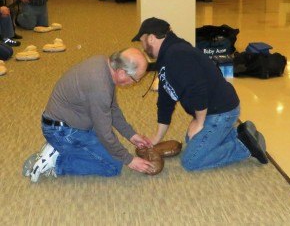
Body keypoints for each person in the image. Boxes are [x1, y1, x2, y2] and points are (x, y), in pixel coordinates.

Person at [132, 17, 268, 172]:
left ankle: (243, 146)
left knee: (191, 161)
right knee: (191, 140)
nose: (143, 46)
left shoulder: (177, 54)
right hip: (213, 109)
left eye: (142, 41)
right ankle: (237, 134)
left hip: (221, 111)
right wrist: (156, 139)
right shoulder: (166, 57)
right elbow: (165, 101)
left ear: (151, 38)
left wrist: (199, 122)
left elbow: (198, 88)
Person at [24, 48, 154, 183]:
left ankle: (60, 148)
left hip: (70, 121)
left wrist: (132, 135)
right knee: (113, 166)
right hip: (61, 131)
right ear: (121, 73)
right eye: (136, 79)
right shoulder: (100, 87)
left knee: (112, 148)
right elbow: (104, 133)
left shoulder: (104, 64)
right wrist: (130, 160)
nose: (135, 83)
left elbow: (112, 108)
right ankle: (55, 162)